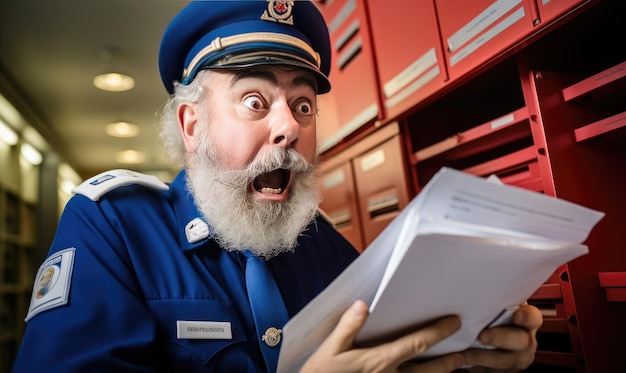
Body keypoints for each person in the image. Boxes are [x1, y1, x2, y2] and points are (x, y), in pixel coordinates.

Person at [11, 1, 541, 372]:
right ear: (193, 126)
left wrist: (471, 354)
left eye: (304, 105)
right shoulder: (112, 225)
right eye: (255, 102)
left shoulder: (327, 249)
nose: (290, 127)